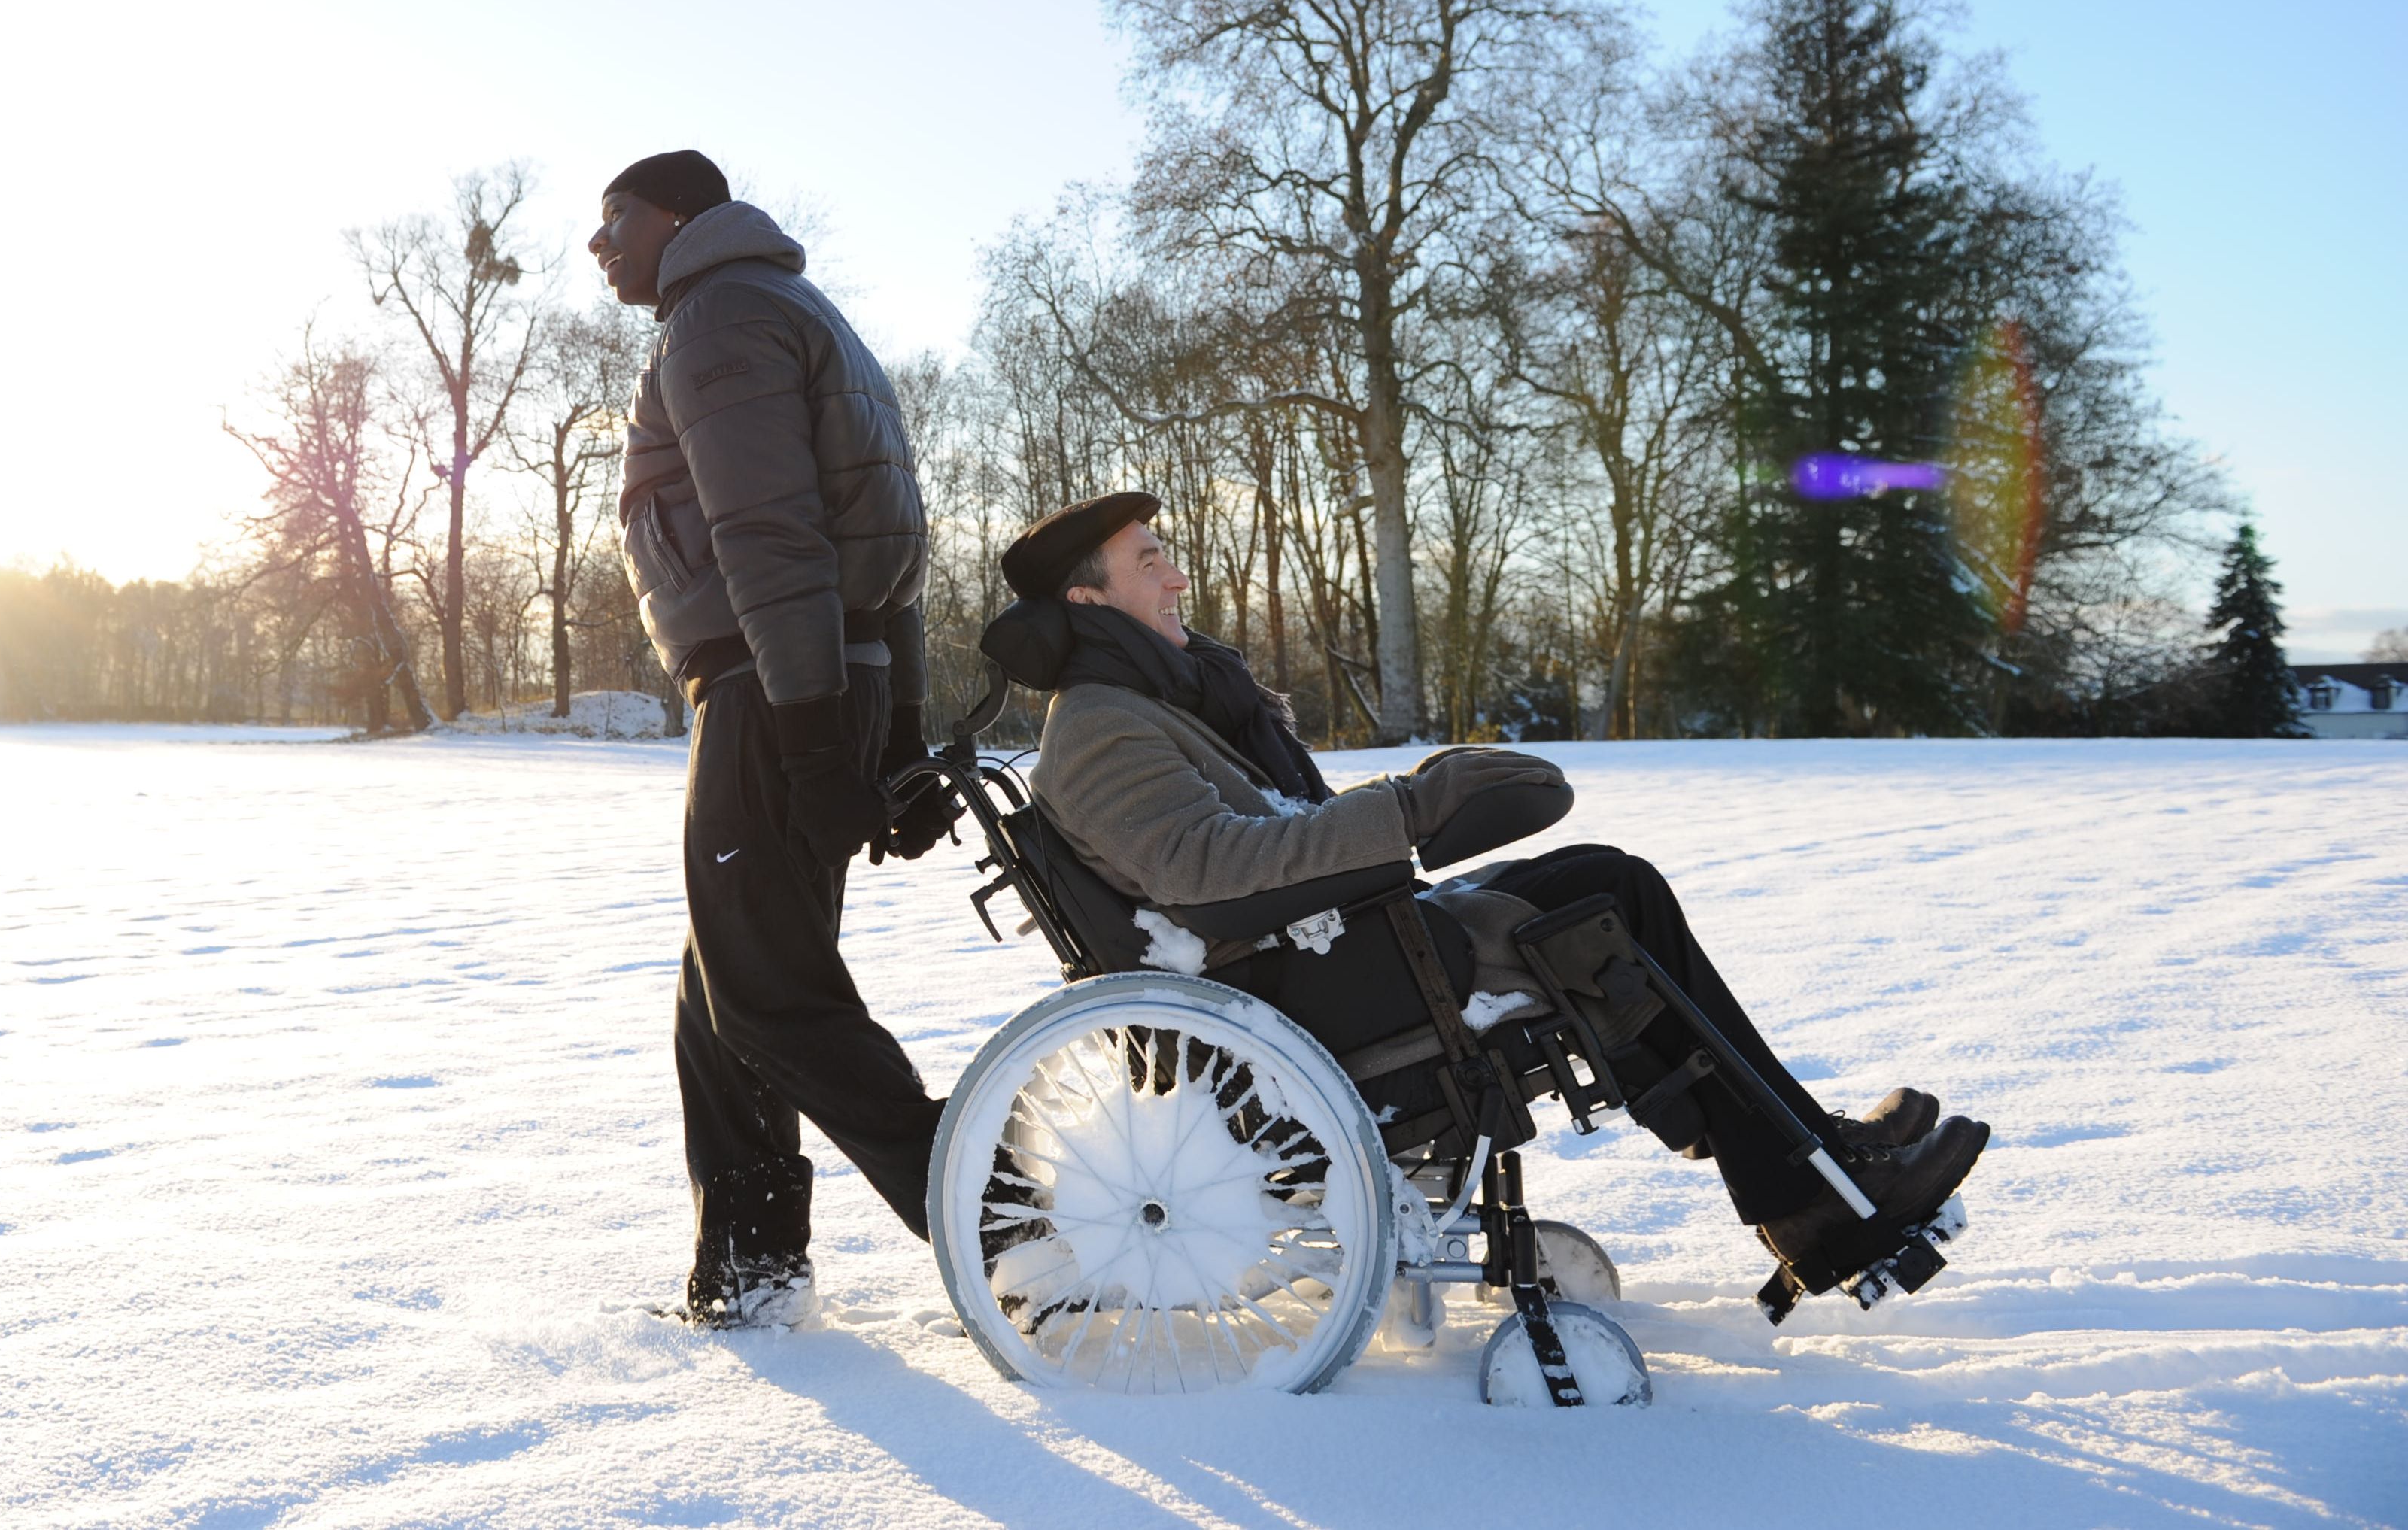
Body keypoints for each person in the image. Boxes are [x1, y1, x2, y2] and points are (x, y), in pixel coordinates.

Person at [980, 489, 1990, 1286]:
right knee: (1595, 914)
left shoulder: (1167, 701)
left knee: (1610, 885)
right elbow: (1207, 874)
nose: (1178, 576)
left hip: (1325, 955)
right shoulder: (1102, 722)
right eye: (1148, 561)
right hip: (1307, 992)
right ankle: (1812, 1186)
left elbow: (1261, 842)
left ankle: (1810, 1165)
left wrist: (1413, 811)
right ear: (1086, 599)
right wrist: (1408, 811)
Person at [588, 148, 961, 1329]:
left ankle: (1013, 1229)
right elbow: (893, 549)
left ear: (682, 216)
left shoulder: (719, 321)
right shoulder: (798, 309)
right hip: (804, 683)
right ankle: (748, 1273)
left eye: (617, 220)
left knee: (770, 993)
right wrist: (888, 725)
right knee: (722, 987)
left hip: (768, 688)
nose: (600, 247)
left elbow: (771, 539)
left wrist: (808, 739)